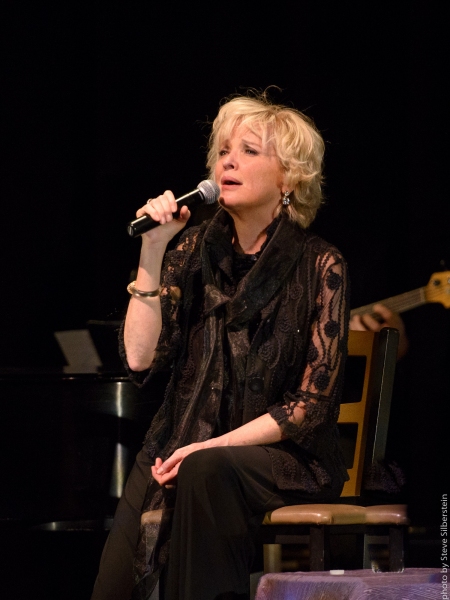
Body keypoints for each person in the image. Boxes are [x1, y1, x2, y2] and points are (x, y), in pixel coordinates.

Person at [91, 93, 350, 600]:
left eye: (250, 151)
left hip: (283, 456)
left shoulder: (321, 264)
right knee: (113, 588)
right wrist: (153, 246)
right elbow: (140, 358)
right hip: (181, 438)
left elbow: (308, 408)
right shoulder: (190, 249)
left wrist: (207, 447)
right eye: (223, 151)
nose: (227, 161)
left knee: (206, 470)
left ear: (289, 178)